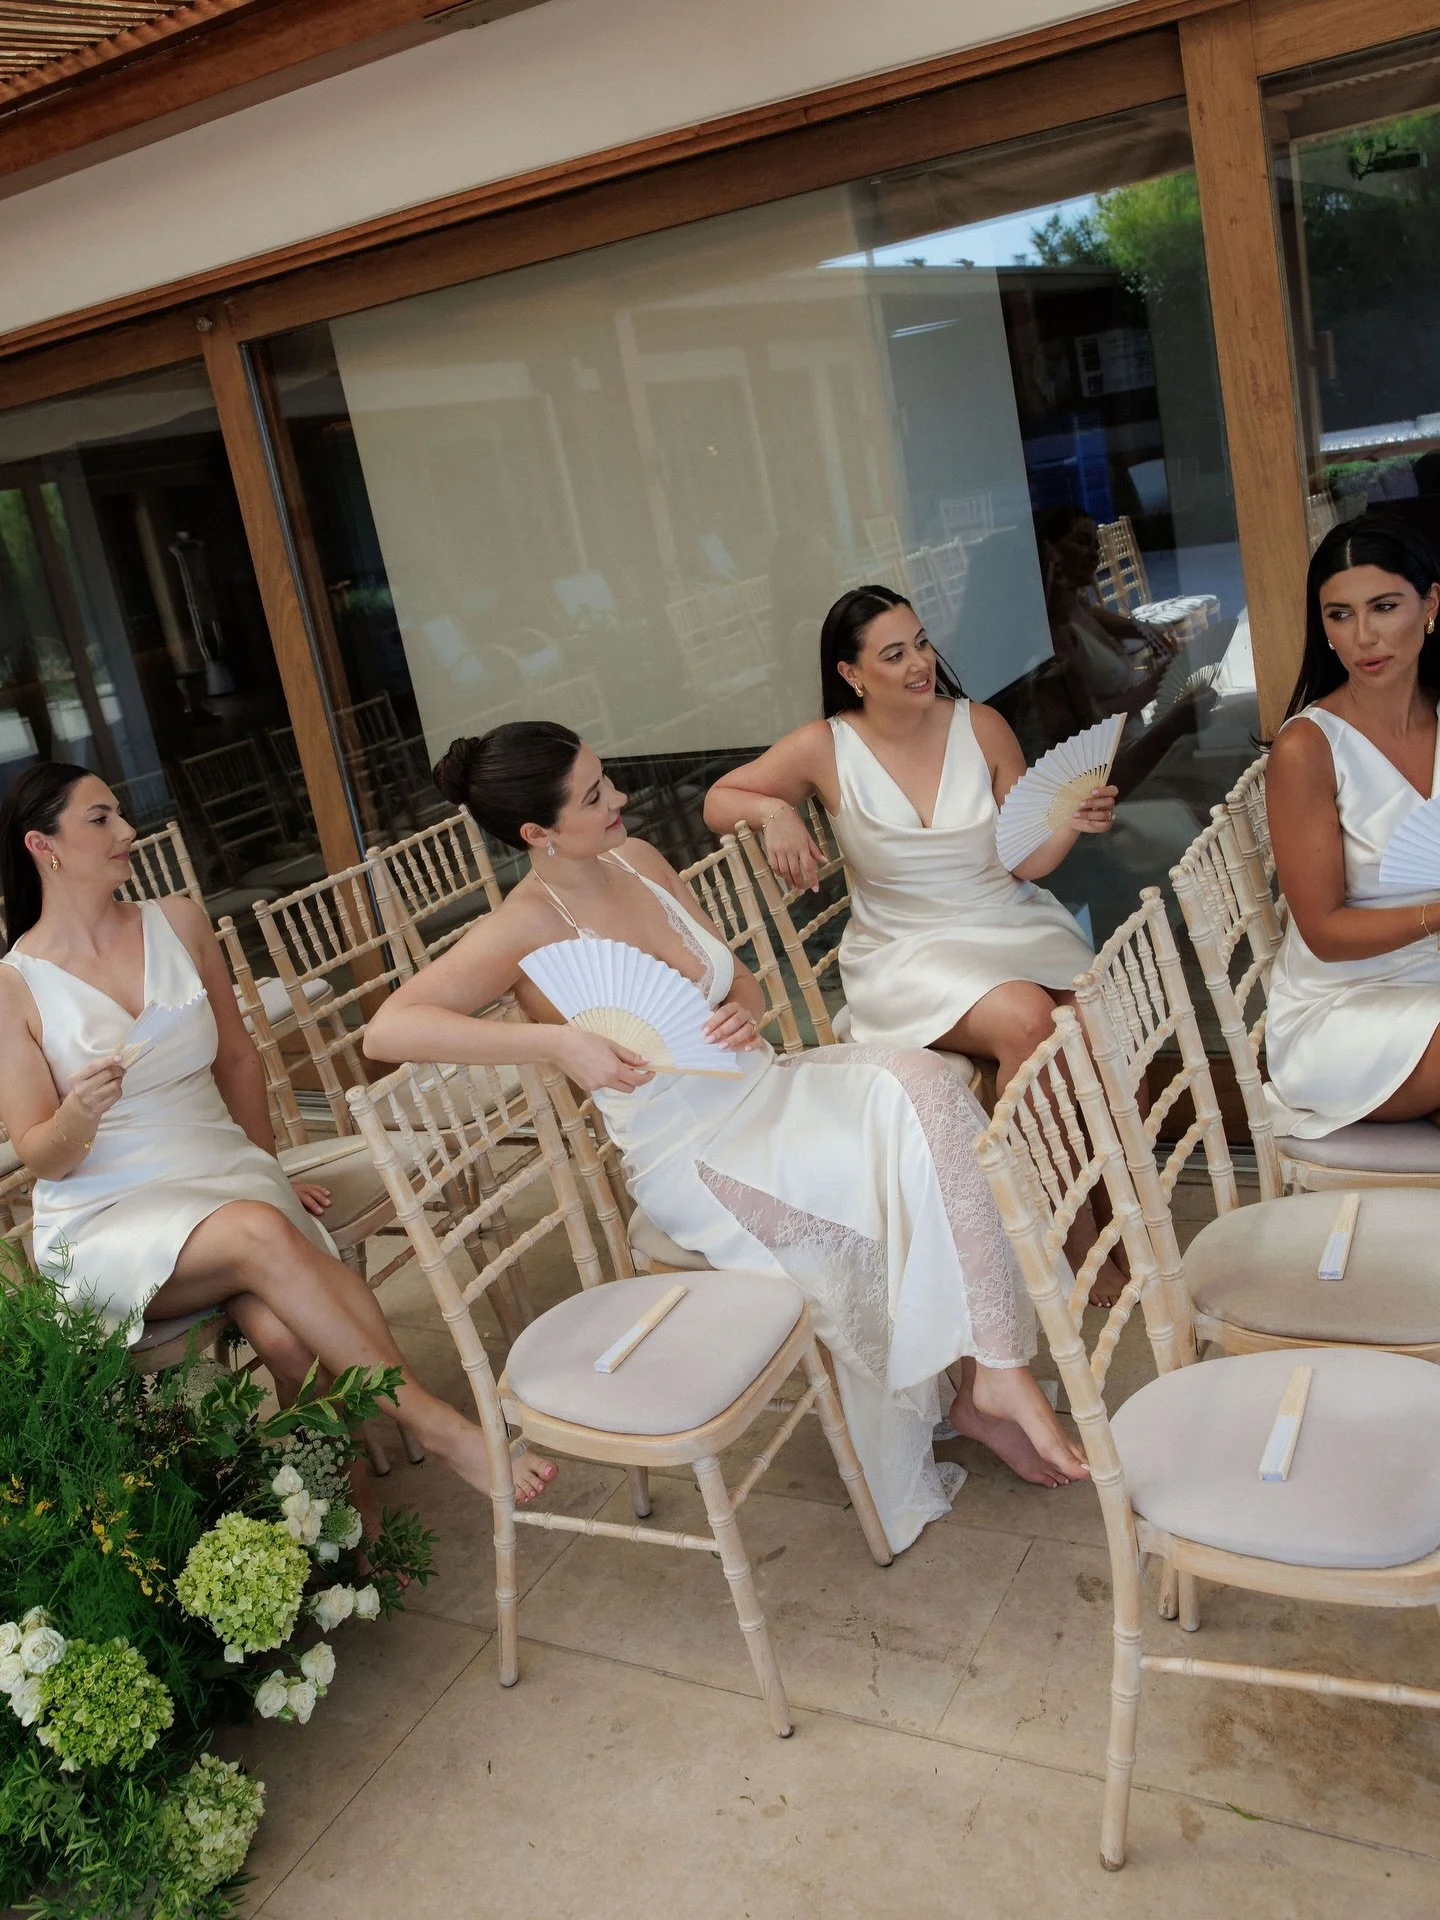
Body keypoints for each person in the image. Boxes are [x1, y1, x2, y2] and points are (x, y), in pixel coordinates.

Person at [363, 721, 1089, 1558]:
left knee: (924, 1090)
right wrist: (556, 1043)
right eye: (595, 795)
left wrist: (743, 1005)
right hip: (695, 1152)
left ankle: (988, 1371)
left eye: (608, 780)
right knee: (878, 1176)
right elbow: (389, 1030)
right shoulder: (524, 926)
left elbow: (735, 973)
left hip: (766, 1084)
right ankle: (980, 1381)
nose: (621, 801)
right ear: (537, 833)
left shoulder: (637, 861)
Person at [0, 763, 557, 1513]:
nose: (128, 831)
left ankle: (350, 1537)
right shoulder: (14, 984)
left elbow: (236, 1055)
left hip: (222, 1181)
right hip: (108, 1216)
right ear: (45, 845)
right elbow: (40, 1152)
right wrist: (78, 1115)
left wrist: (265, 1167)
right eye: (100, 819)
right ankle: (445, 1426)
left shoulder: (180, 922)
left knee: (288, 1333)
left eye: (120, 813)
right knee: (261, 1235)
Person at [701, 585, 1111, 1104]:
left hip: (1010, 919)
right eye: (895, 655)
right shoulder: (824, 746)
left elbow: (1025, 861)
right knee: (1030, 1020)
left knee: (1100, 1022)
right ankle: (1022, 1188)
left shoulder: (982, 726)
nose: (920, 663)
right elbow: (718, 799)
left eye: (921, 643)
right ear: (851, 674)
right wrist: (774, 811)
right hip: (906, 951)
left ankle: (1117, 1188)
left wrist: (1072, 818)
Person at [1263, 516, 1440, 1137]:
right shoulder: (1308, 749)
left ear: (1431, 603)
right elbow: (1326, 933)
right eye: (1339, 615)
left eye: (1384, 607)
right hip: (1345, 1005)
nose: (1364, 637)